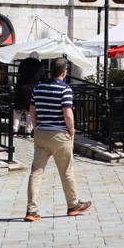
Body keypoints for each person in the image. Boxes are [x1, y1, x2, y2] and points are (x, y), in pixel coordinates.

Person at [24, 58, 92, 222]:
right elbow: (68, 113)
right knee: (66, 171)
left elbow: (32, 110)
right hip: (60, 135)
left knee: (36, 172)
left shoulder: (38, 88)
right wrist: (72, 131)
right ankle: (73, 205)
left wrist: (36, 126)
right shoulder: (65, 89)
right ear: (64, 72)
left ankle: (31, 210)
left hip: (42, 133)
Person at [13, 56, 44, 137]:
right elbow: (42, 78)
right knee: (30, 112)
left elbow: (19, 74)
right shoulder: (39, 65)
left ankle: (14, 130)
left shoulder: (23, 62)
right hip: (33, 90)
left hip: (21, 88)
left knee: (18, 111)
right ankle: (28, 132)